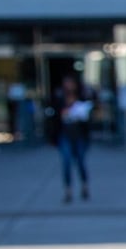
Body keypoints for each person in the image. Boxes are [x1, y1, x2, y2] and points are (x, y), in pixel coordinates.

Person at [44, 74, 94, 203]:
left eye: (71, 83)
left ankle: (84, 187)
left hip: (79, 135)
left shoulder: (82, 97)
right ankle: (68, 191)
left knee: (81, 162)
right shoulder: (59, 98)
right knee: (66, 163)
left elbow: (89, 111)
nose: (69, 86)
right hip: (64, 135)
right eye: (66, 83)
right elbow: (52, 117)